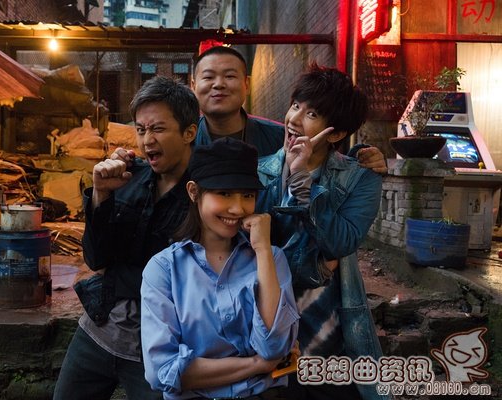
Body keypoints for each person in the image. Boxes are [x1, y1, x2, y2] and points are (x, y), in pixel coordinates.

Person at [53, 76, 199, 400]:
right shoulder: (128, 177)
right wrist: (100, 195)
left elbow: (183, 281)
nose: (147, 140)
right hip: (100, 329)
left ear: (189, 132)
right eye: (141, 129)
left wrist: (116, 275)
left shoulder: (204, 194)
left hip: (161, 344)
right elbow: (96, 258)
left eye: (158, 129)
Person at [254, 63, 386, 400]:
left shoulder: (361, 178)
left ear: (336, 134)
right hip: (264, 329)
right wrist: (312, 268)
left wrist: (302, 183)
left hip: (327, 334)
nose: (294, 119)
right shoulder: (258, 172)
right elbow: (249, 251)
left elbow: (341, 241)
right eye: (296, 106)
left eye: (311, 114)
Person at [140, 137, 299, 399]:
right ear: (194, 192)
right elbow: (162, 371)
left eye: (247, 195)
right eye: (224, 193)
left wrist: (262, 250)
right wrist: (257, 365)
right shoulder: (164, 270)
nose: (237, 208)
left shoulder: (271, 259)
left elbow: (274, 348)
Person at [191, 45, 388, 174]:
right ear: (193, 86)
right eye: (208, 77)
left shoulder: (282, 137)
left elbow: (325, 163)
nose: (219, 84)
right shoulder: (182, 141)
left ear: (247, 84)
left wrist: (362, 158)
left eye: (229, 76)